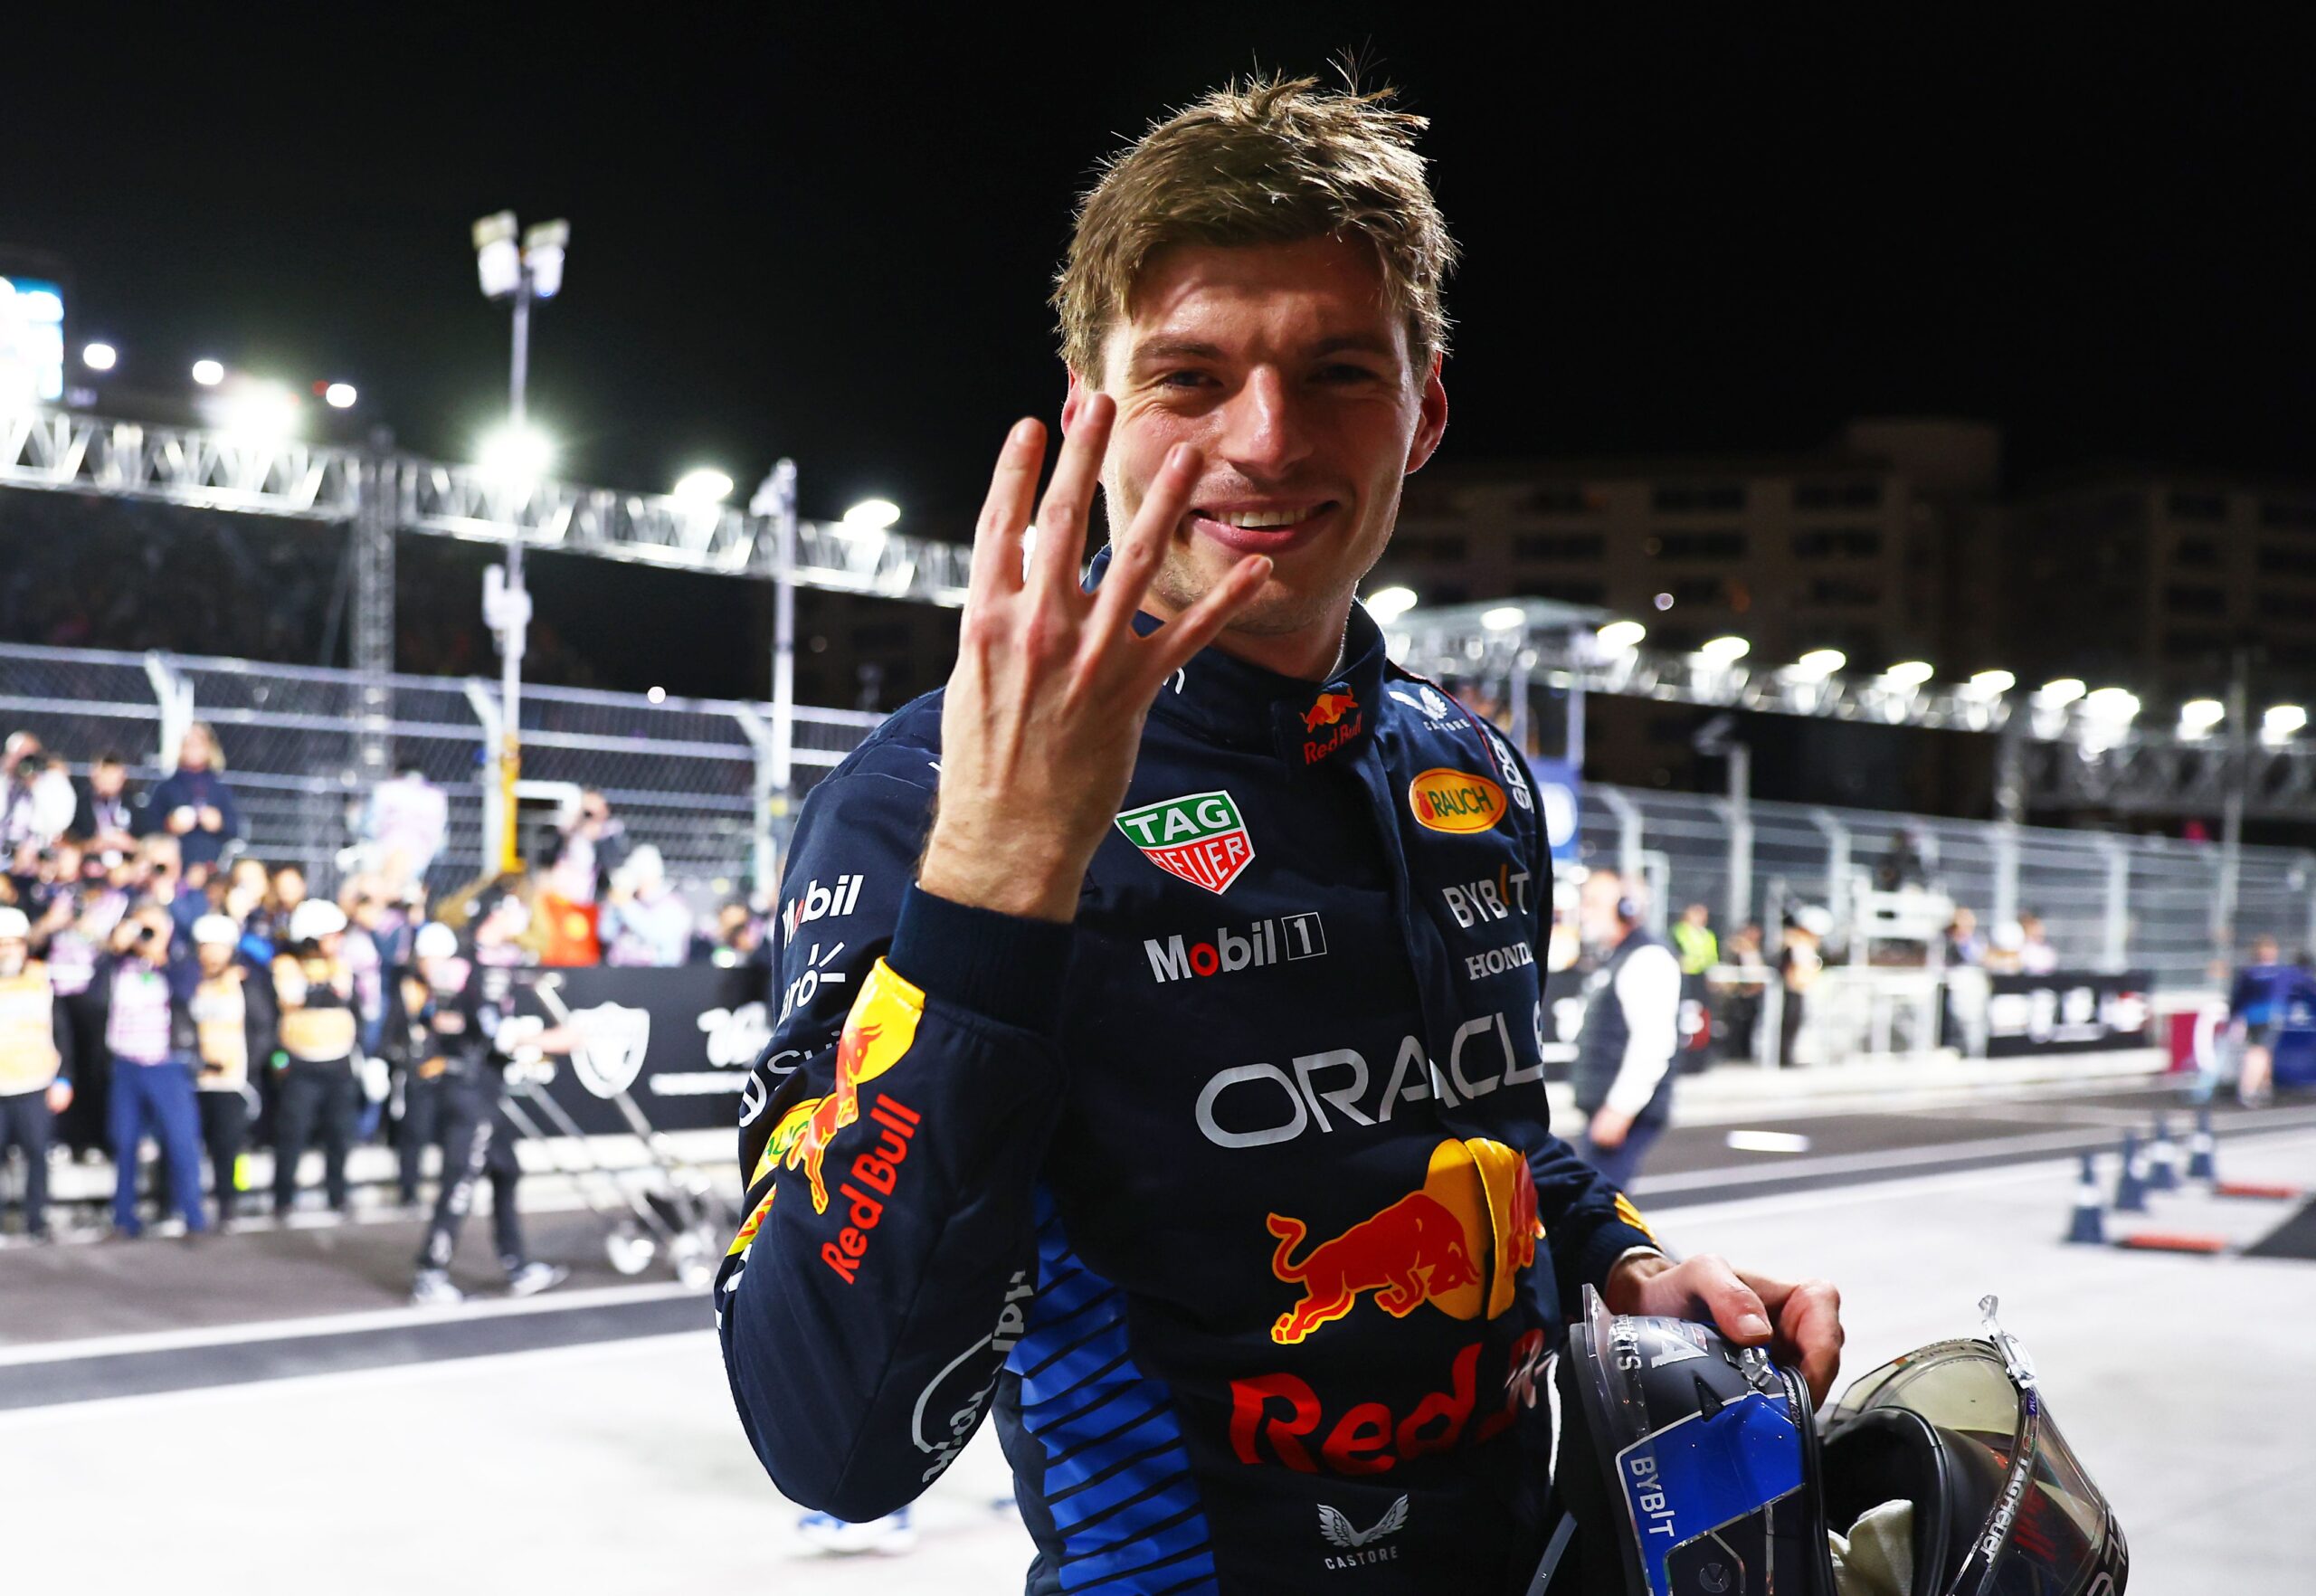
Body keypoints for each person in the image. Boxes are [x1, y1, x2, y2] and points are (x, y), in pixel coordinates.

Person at [712, 74, 1842, 1593]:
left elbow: (1482, 1138)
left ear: (1426, 406)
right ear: (1091, 403)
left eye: (1338, 373)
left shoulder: (1470, 768)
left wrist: (1630, 1257)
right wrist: (998, 875)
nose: (1264, 436)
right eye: (1192, 376)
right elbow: (830, 1439)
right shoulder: (929, 793)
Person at [408, 889, 572, 1305]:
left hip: (480, 1084)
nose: (520, 920)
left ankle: (517, 1264)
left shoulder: (483, 962)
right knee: (460, 1179)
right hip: (468, 1086)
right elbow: (491, 1032)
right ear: (495, 915)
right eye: (513, 912)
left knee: (505, 1170)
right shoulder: (471, 965)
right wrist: (552, 1039)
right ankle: (430, 1272)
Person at [96, 902, 207, 1237]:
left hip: (166, 1064)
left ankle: (193, 1215)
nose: (144, 934)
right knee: (124, 1141)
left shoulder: (180, 961)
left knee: (180, 1140)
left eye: (152, 927)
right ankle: (123, 1216)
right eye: (140, 927)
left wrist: (159, 952)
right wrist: (113, 948)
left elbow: (186, 990)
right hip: (127, 1065)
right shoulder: (120, 963)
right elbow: (93, 995)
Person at [1570, 870, 1685, 1186]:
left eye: (1593, 902)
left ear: (1626, 909)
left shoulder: (1647, 958)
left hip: (1623, 1111)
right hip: (1607, 1106)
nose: (1583, 912)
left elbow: (1653, 1042)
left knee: (1594, 1210)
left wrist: (1620, 1108)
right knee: (1592, 1207)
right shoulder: (1618, 957)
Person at [269, 898, 359, 1217]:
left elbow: (342, 996)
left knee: (339, 1133)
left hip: (338, 1060)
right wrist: (321, 990)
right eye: (331, 935)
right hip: (302, 1062)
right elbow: (294, 998)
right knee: (292, 1133)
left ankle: (338, 1194)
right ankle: (283, 1197)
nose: (338, 941)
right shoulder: (286, 965)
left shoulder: (341, 964)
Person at [187, 912, 271, 1227]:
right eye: (205, 947)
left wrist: (251, 1065)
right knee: (188, 1145)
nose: (210, 954)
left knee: (231, 1147)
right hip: (195, 1080)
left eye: (217, 947)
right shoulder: (189, 982)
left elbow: (263, 1028)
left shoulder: (246, 983)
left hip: (233, 1081)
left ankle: (230, 1202)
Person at [0, 906, 75, 1240]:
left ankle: (36, 1220)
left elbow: (62, 1032)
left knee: (37, 1155)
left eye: (13, 943)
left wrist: (64, 1078)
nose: (7, 951)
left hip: (34, 1082)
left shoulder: (42, 978)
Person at [142, 723, 241, 873]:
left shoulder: (220, 790)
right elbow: (149, 825)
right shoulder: (167, 788)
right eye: (189, 743)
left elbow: (235, 828)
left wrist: (219, 823)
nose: (193, 748)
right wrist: (170, 825)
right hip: (175, 861)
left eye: (199, 743)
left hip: (212, 859)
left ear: (209, 748)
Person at [2226, 934, 2292, 1108]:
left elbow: (2237, 998)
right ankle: (2248, 1089)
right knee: (2259, 1052)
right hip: (2271, 1015)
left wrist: (2233, 1017)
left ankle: (2265, 1088)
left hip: (2252, 1016)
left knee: (2264, 1051)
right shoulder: (2280, 973)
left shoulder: (2248, 973)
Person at [600, 845, 691, 967]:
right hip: (622, 973)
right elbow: (605, 933)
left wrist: (626, 904)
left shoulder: (673, 906)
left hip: (658, 977)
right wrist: (612, 904)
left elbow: (655, 934)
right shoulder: (629, 902)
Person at [69, 752, 139, 855]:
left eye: (113, 775)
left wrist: (129, 844)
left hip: (125, 860)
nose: (109, 780)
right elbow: (72, 840)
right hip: (91, 859)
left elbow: (148, 840)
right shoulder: (82, 804)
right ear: (94, 776)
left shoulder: (134, 803)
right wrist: (93, 845)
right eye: (105, 774)